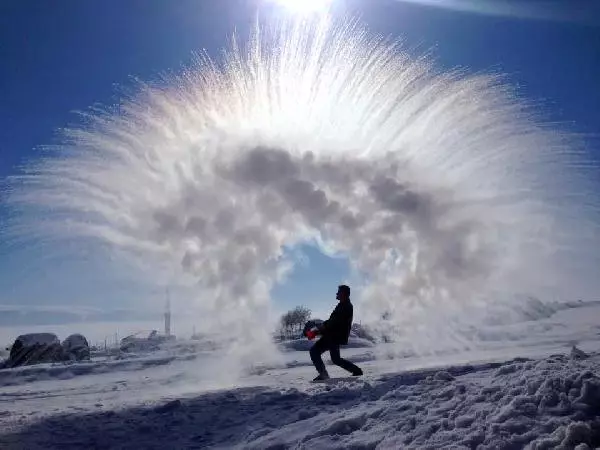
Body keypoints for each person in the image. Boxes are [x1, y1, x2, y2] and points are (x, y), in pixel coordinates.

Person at [309, 284, 363, 381]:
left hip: (333, 336)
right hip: (334, 336)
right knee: (336, 359)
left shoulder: (345, 306)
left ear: (343, 294)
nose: (337, 293)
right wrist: (320, 328)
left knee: (314, 351)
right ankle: (357, 371)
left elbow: (333, 323)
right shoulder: (343, 305)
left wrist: (317, 331)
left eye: (339, 292)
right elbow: (332, 321)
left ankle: (323, 375)